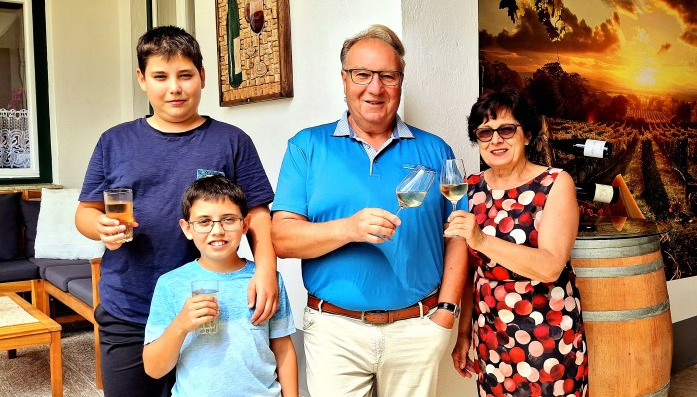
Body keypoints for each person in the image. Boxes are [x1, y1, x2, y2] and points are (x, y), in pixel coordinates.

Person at [75, 25, 278, 397]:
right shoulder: (114, 140)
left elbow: (259, 215)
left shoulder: (232, 141)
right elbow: (85, 211)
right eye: (160, 76)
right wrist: (99, 226)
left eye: (185, 75)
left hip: (212, 304)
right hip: (129, 305)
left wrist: (266, 270)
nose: (175, 87)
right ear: (142, 79)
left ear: (202, 77)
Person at [271, 24, 468, 397]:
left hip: (418, 328)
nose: (374, 88)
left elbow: (459, 233)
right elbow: (281, 238)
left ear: (400, 82)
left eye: (387, 76)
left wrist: (446, 312)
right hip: (334, 332)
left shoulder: (437, 150)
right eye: (362, 75)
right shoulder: (306, 147)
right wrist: (348, 228)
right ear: (344, 80)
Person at [448, 89, 588, 396]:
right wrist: (463, 334)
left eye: (506, 129)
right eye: (485, 132)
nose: (495, 140)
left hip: (548, 333)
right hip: (490, 334)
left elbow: (551, 266)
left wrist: (481, 239)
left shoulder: (555, 183)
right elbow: (472, 272)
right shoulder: (471, 188)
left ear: (526, 135)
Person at [143, 175, 297, 396]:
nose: (217, 230)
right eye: (204, 221)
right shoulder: (171, 284)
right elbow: (154, 369)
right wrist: (181, 325)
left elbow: (283, 351)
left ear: (245, 225)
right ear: (187, 228)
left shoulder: (266, 280)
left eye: (228, 219)